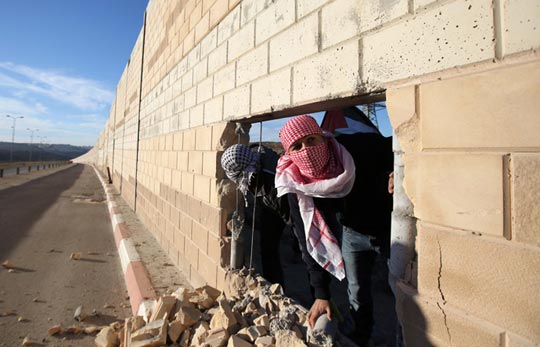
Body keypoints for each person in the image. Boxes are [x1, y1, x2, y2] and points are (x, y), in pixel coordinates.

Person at [275, 115, 393, 346]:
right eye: (296, 146)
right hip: (352, 234)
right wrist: (321, 294)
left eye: (311, 139)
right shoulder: (296, 183)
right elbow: (305, 238)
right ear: (289, 154)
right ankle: (361, 336)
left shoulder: (355, 148)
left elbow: (397, 146)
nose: (306, 149)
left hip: (389, 229)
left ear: (323, 136)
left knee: (405, 293)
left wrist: (396, 169)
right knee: (357, 292)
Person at [221, 143, 290, 285]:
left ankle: (276, 287)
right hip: (270, 207)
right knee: (267, 246)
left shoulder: (271, 185)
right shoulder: (254, 155)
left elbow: (289, 215)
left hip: (284, 207)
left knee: (270, 249)